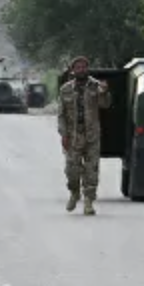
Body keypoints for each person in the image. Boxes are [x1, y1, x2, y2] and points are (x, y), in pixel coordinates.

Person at [57, 56, 110, 215]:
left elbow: (105, 105)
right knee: (71, 170)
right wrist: (64, 134)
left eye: (84, 67)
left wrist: (105, 92)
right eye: (78, 67)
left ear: (88, 69)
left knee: (91, 171)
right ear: (73, 70)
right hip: (74, 136)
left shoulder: (96, 86)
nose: (81, 70)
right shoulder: (65, 89)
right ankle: (74, 192)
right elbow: (61, 115)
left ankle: (88, 202)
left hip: (92, 135)